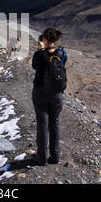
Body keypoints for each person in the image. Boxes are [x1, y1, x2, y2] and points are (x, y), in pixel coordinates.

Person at [32, 28, 68, 166]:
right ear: (56, 40)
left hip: (40, 94)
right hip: (57, 95)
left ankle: (41, 158)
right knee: (55, 123)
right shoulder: (62, 54)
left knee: (42, 125)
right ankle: (55, 156)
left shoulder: (38, 55)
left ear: (45, 40)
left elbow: (35, 66)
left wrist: (41, 50)